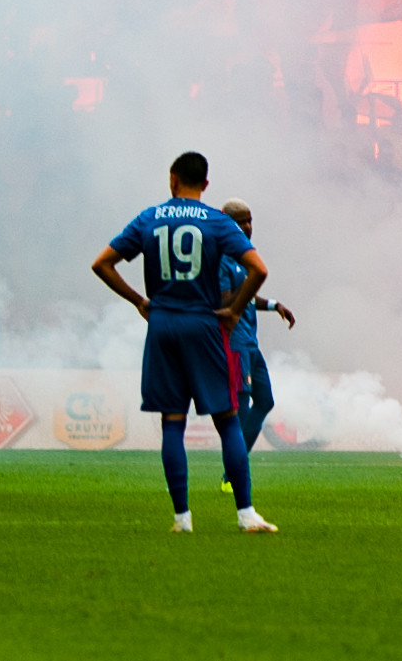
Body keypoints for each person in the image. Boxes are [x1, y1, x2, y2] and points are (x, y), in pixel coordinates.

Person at [89, 151, 279, 533]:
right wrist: (234, 310)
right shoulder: (217, 221)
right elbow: (259, 269)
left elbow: (102, 264)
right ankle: (246, 514)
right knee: (228, 420)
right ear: (206, 184)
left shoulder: (149, 218)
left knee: (172, 422)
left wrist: (139, 301)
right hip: (204, 325)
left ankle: (182, 518)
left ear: (172, 179)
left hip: (163, 325)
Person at [213, 199, 297, 494]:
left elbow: (246, 297)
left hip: (250, 342)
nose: (248, 227)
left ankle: (233, 468)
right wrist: (248, 284)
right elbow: (224, 301)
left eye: (250, 221)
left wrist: (273, 305)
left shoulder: (243, 256)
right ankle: (232, 474)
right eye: (241, 221)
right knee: (242, 407)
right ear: (227, 222)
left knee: (265, 401)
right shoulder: (222, 258)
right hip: (234, 344)